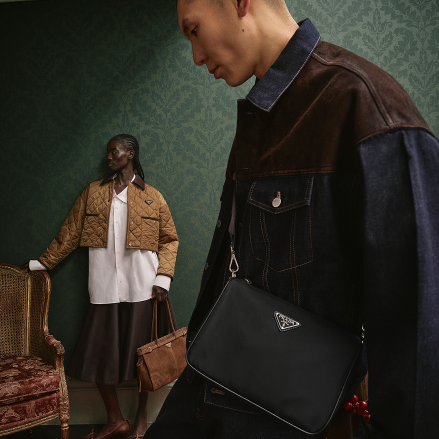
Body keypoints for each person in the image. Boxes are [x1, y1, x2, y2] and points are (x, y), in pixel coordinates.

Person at [145, 0, 439, 438]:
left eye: (194, 30)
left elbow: (417, 334)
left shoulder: (369, 111)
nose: (196, 56)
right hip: (205, 395)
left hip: (280, 420)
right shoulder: (259, 117)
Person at [29, 134, 179, 439]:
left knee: (145, 357)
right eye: (108, 153)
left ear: (130, 154)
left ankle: (141, 418)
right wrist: (44, 263)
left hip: (143, 286)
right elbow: (70, 232)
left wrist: (163, 278)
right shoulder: (93, 192)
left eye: (114, 152)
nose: (108, 157)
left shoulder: (152, 196)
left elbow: (169, 240)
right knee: (98, 354)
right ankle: (115, 420)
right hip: (104, 286)